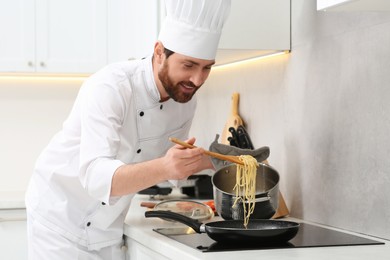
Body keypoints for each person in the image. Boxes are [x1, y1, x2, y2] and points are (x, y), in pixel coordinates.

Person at [25, 0, 231, 259]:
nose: (198, 80)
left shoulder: (184, 100)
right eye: (188, 65)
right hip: (59, 220)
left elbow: (170, 168)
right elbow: (95, 175)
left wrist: (210, 160)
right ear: (159, 52)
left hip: (107, 227)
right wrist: (166, 166)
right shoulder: (111, 87)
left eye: (207, 67)